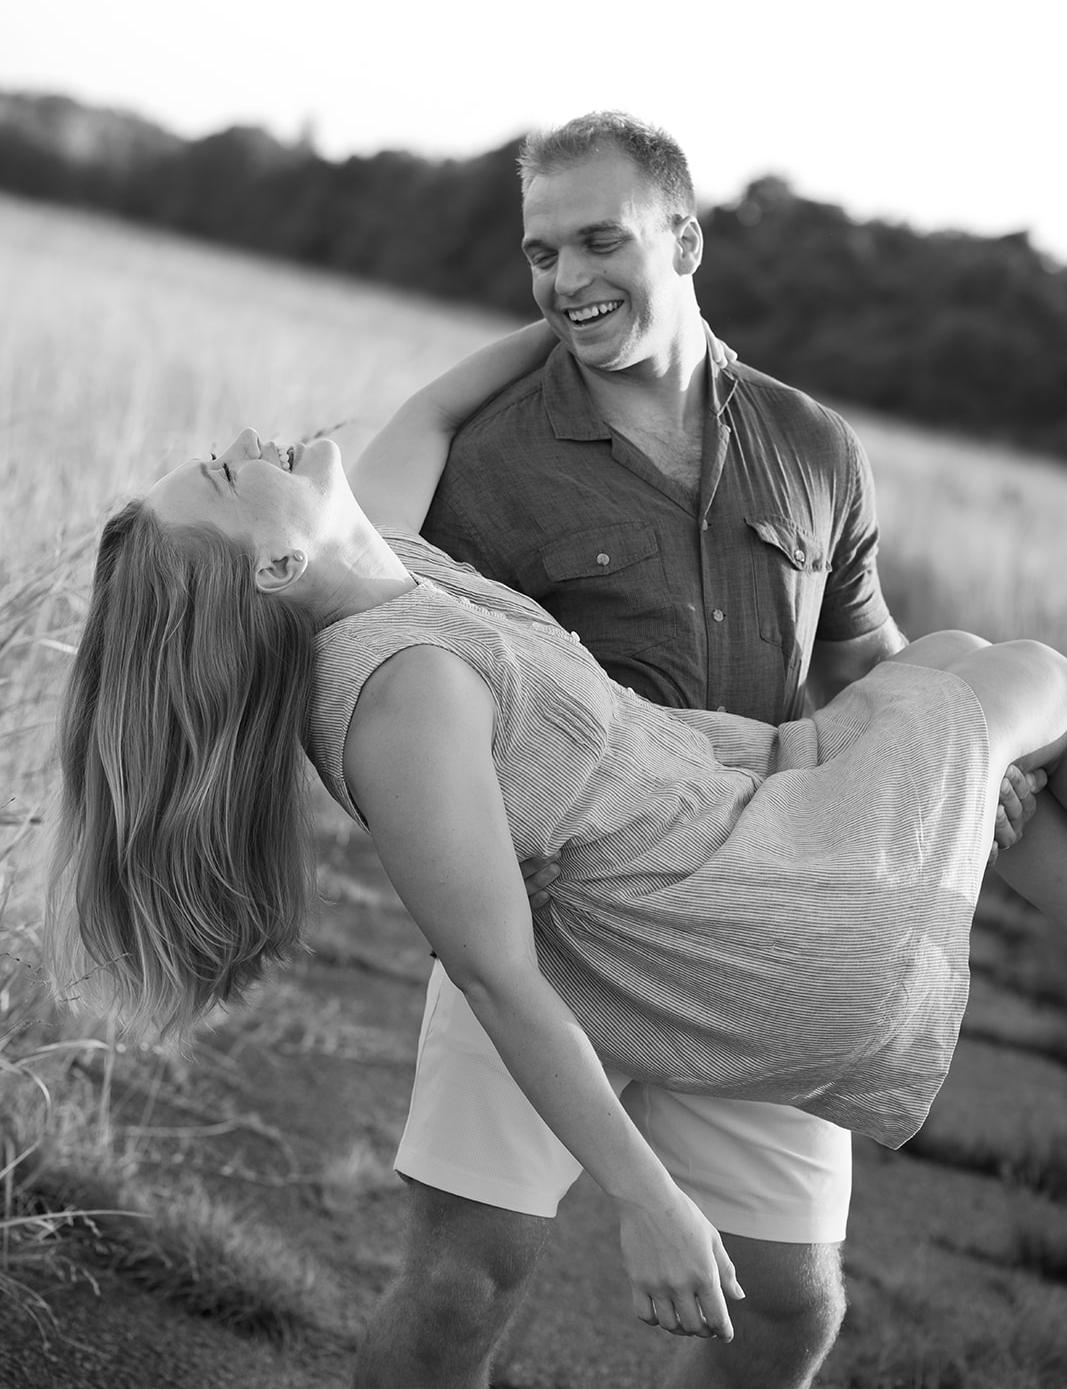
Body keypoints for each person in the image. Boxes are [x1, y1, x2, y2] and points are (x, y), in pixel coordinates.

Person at [46, 408, 1067, 1369]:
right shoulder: (404, 694)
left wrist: (581, 306)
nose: (245, 437)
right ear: (276, 563)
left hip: (742, 814)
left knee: (954, 659)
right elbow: (494, 973)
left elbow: (433, 414)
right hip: (737, 908)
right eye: (231, 474)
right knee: (1026, 672)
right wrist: (644, 1197)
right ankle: (972, 798)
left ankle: (975, 801)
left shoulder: (381, 565)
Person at [353, 111, 1042, 1389]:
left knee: (786, 1307)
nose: (564, 280)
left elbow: (857, 658)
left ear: (684, 236)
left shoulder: (814, 446)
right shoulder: (486, 462)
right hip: (555, 913)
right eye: (540, 254)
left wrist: (956, 758)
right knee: (462, 1281)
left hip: (769, 906)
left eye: (597, 241)